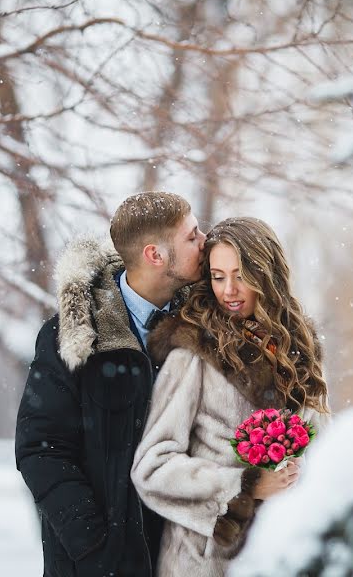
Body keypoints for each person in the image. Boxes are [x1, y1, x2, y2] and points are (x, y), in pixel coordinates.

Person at [15, 192, 206, 577]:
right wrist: (95, 548)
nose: (205, 241)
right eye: (192, 236)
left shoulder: (203, 328)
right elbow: (41, 449)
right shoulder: (72, 334)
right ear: (156, 255)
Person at [131, 216, 331, 577]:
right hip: (205, 561)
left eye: (241, 275)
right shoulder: (192, 353)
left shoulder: (299, 351)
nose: (229, 290)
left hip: (281, 552)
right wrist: (243, 487)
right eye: (218, 276)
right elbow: (152, 467)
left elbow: (322, 446)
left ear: (266, 275)